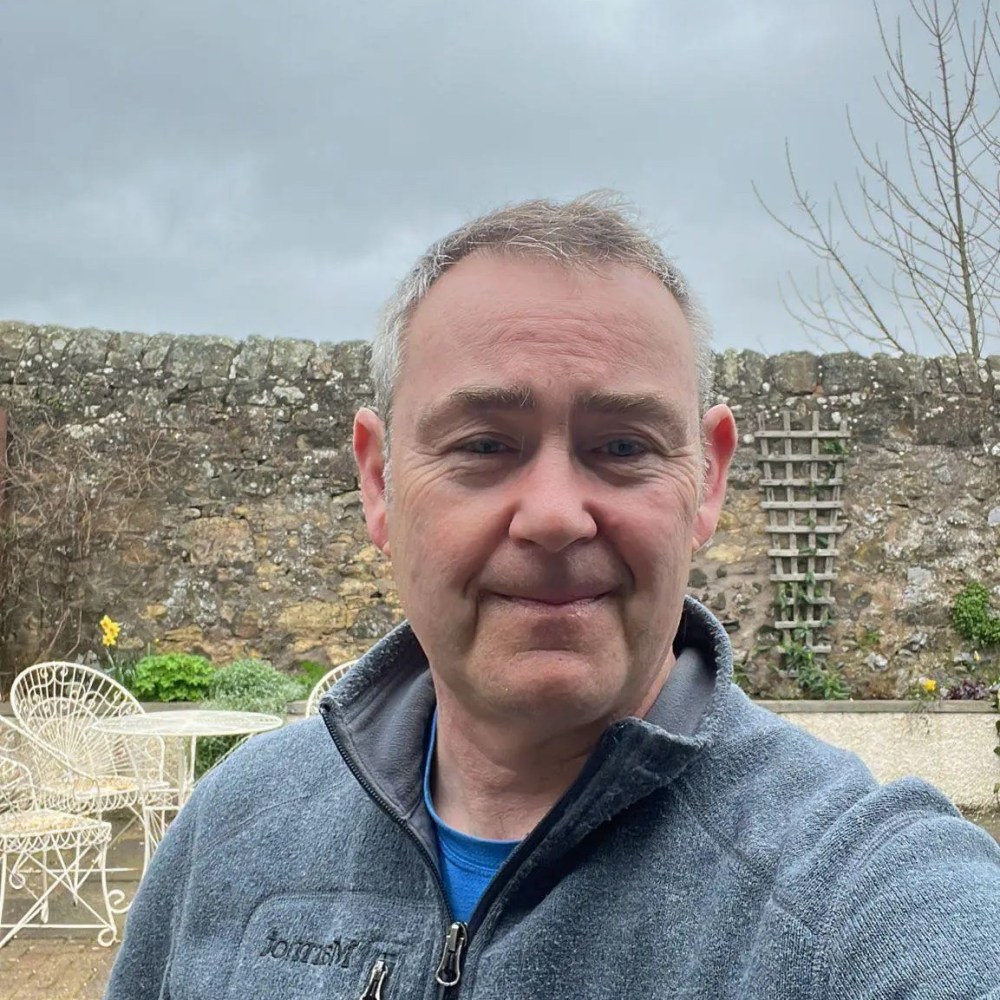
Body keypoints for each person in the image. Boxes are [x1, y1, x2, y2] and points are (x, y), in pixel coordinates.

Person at [105, 195, 1000, 1000]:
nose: (555, 516)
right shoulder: (235, 828)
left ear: (708, 479)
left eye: (623, 447)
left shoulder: (853, 898)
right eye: (486, 444)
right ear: (379, 483)